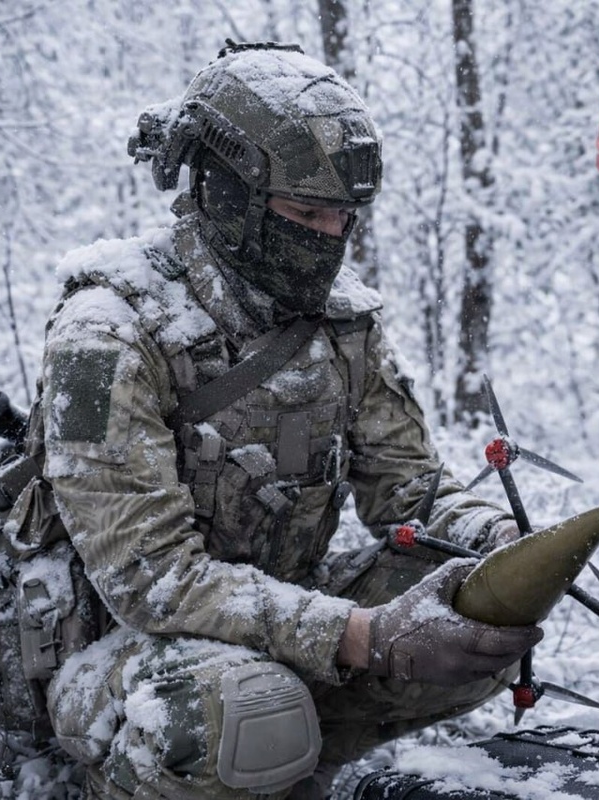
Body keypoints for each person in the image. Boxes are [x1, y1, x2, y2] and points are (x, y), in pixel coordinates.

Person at [37, 41, 540, 799]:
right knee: (244, 710)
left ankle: (283, 762)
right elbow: (152, 581)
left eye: (344, 218)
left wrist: (500, 543)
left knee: (478, 611)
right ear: (228, 194)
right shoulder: (105, 333)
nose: (329, 237)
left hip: (277, 625)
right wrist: (362, 636)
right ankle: (202, 760)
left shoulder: (343, 324)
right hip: (123, 652)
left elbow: (409, 490)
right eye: (306, 213)